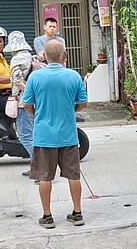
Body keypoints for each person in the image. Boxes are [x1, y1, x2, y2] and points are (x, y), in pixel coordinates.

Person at [22, 40, 88, 229]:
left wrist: (36, 115)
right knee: (74, 175)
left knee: (44, 177)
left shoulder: (36, 77)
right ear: (64, 56)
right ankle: (77, 213)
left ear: (45, 56)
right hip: (68, 134)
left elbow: (26, 104)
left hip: (44, 136)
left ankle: (47, 216)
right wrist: (71, 110)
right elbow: (83, 103)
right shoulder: (73, 76)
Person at [4, 31, 43, 177]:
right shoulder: (32, 57)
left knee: (25, 135)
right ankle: (36, 165)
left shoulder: (16, 60)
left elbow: (18, 82)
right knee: (34, 133)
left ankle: (40, 166)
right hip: (37, 101)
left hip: (23, 102)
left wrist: (28, 96)